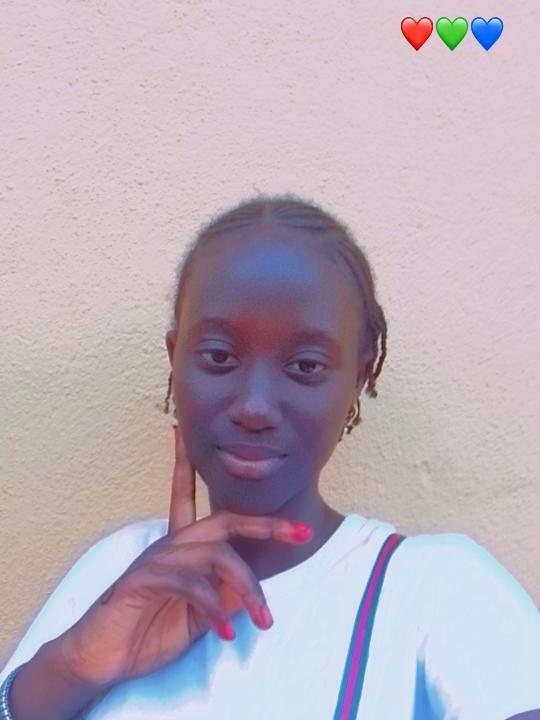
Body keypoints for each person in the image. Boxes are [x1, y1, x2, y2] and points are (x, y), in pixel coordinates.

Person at [1, 194, 539, 720]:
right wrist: (74, 665)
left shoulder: (437, 588)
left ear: (359, 377)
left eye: (305, 366)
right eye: (219, 356)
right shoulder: (119, 567)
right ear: (174, 359)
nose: (254, 407)